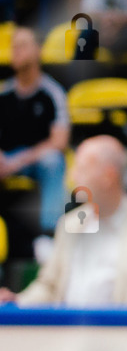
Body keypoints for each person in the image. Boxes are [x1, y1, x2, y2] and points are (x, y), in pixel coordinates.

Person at [0, 135, 127, 306]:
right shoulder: (68, 224)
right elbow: (48, 287)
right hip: (66, 336)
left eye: (81, 169)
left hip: (124, 336)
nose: (73, 177)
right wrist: (17, 301)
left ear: (108, 176)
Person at [0, 27, 69, 256]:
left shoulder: (52, 93)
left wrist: (18, 161)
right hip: (7, 159)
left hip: (35, 159)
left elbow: (59, 142)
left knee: (53, 160)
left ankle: (49, 236)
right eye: (13, 46)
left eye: (22, 45)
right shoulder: (4, 94)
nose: (16, 51)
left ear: (38, 51)